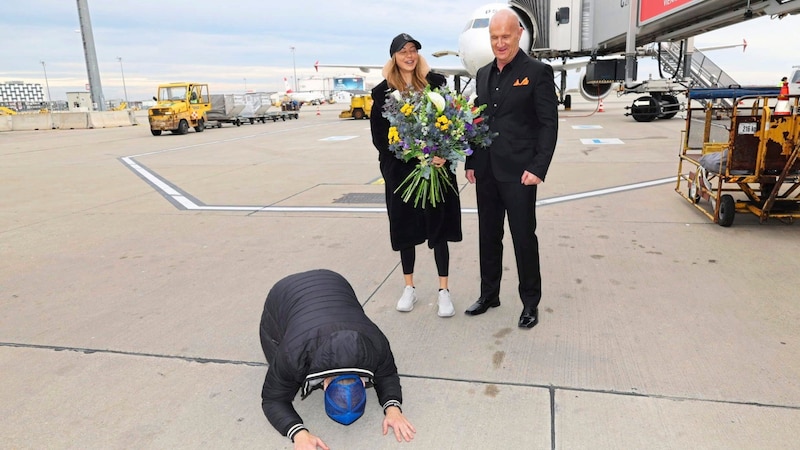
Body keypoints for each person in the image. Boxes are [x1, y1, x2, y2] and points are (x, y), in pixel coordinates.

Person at [463, 8, 558, 329]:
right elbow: (478, 121)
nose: (499, 43)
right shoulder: (483, 74)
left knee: (523, 239)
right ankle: (489, 294)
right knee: (488, 237)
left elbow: (548, 125)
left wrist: (538, 167)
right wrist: (471, 161)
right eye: (494, 37)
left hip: (520, 173)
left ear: (519, 34)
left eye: (505, 36)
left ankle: (530, 302)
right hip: (487, 172)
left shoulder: (537, 72)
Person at [259, 269, 416, 450]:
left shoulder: (375, 343)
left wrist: (393, 408)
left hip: (334, 281)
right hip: (283, 293)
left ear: (363, 382)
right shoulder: (292, 353)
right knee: (281, 368)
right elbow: (272, 399)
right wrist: (298, 433)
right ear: (325, 386)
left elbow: (387, 374)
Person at [370, 33, 462, 318]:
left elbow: (452, 121)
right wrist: (409, 153)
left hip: (435, 169)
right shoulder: (383, 92)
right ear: (394, 57)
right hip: (402, 174)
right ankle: (409, 287)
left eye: (413, 50)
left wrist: (444, 151)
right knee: (405, 229)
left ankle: (444, 291)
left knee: (439, 229)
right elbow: (380, 138)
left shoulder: (436, 84)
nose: (409, 56)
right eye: (402, 52)